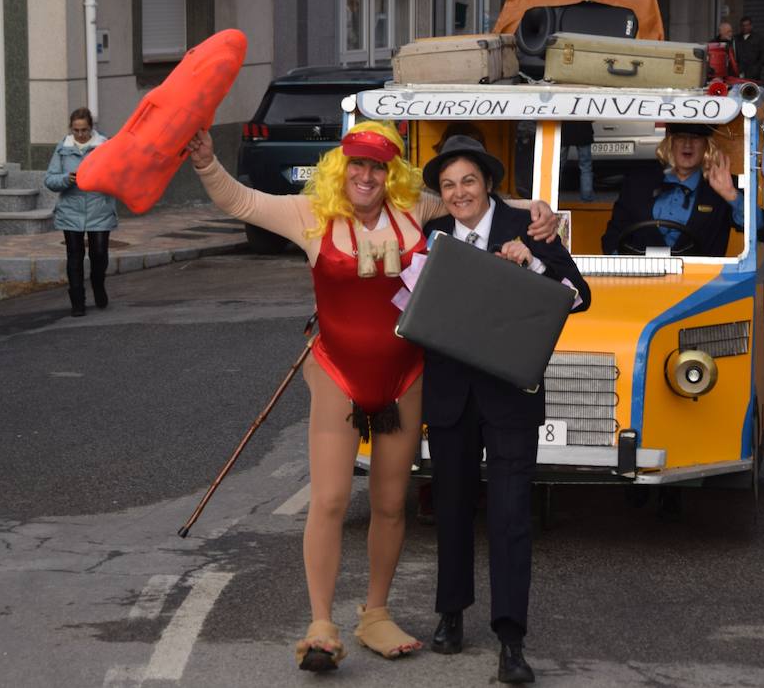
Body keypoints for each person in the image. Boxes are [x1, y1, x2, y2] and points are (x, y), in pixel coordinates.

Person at [184, 121, 558, 673]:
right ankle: (320, 624)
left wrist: (541, 211)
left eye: (378, 166)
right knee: (332, 499)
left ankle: (376, 613)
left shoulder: (415, 207)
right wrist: (205, 163)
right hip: (338, 373)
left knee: (388, 504)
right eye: (357, 164)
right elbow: (240, 201)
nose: (366, 175)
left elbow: (478, 198)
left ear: (391, 173)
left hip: (406, 377)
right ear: (342, 166)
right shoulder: (311, 214)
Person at [418, 135, 591, 685]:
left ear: (489, 184)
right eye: (449, 185)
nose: (459, 192)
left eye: (468, 180)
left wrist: (533, 264)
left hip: (511, 396)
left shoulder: (529, 230)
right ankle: (450, 613)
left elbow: (580, 294)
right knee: (450, 507)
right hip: (449, 395)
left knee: (512, 516)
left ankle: (511, 639)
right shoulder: (433, 235)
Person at [600, 123, 764, 256]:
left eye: (695, 138)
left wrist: (732, 196)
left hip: (701, 288)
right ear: (670, 142)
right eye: (680, 137)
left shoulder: (722, 185)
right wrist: (622, 269)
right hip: (641, 284)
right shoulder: (638, 181)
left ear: (706, 145)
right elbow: (612, 236)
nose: (687, 144)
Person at [43, 107, 118, 317]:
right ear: (71, 129)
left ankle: (98, 284)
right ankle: (78, 301)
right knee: (74, 256)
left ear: (91, 128)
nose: (80, 134)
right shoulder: (62, 149)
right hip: (71, 210)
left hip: (99, 207)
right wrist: (68, 178)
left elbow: (118, 174)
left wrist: (100, 177)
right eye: (76, 130)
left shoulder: (105, 146)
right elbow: (49, 180)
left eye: (84, 130)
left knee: (99, 254)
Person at [560, 120, 596, 202]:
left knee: (557, 166)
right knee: (586, 167)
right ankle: (587, 199)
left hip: (564, 129)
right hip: (583, 129)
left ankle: (552, 197)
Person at [732, 16, 764, 83]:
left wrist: (757, 67)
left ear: (751, 26)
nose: (745, 27)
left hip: (754, 74)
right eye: (743, 25)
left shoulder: (758, 38)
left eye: (747, 25)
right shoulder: (736, 39)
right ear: (740, 27)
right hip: (739, 72)